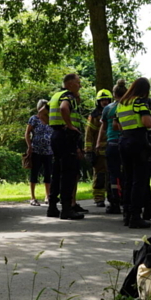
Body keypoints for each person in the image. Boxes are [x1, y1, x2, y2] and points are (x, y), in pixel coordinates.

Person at [116, 77, 151, 229]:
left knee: (128, 180)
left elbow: (117, 124)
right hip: (138, 141)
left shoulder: (122, 103)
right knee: (140, 180)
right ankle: (136, 216)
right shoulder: (140, 102)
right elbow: (146, 122)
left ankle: (127, 215)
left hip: (124, 141)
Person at [47, 73, 85, 220]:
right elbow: (64, 108)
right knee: (68, 173)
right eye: (78, 83)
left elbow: (42, 113)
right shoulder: (68, 96)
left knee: (56, 172)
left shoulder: (55, 95)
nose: (79, 86)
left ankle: (52, 207)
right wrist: (69, 126)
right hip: (65, 137)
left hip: (56, 135)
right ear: (69, 84)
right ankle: (67, 209)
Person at [98, 79, 128, 214]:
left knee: (113, 174)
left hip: (112, 143)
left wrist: (98, 143)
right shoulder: (128, 107)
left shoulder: (108, 109)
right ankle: (127, 201)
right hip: (127, 143)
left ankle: (114, 202)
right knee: (127, 173)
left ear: (114, 94)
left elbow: (103, 127)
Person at [85, 89, 113, 208]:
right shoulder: (94, 116)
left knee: (113, 175)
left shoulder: (114, 112)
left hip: (112, 149)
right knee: (100, 176)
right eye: (102, 100)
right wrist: (88, 151)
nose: (104, 102)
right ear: (98, 102)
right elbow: (89, 134)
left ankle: (114, 197)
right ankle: (98, 198)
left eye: (106, 100)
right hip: (99, 151)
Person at [24, 99, 54, 206]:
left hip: (49, 151)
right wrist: (29, 146)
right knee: (34, 173)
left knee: (48, 174)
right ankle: (33, 197)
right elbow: (27, 133)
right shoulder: (34, 119)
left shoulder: (50, 119)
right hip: (36, 150)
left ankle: (47, 196)